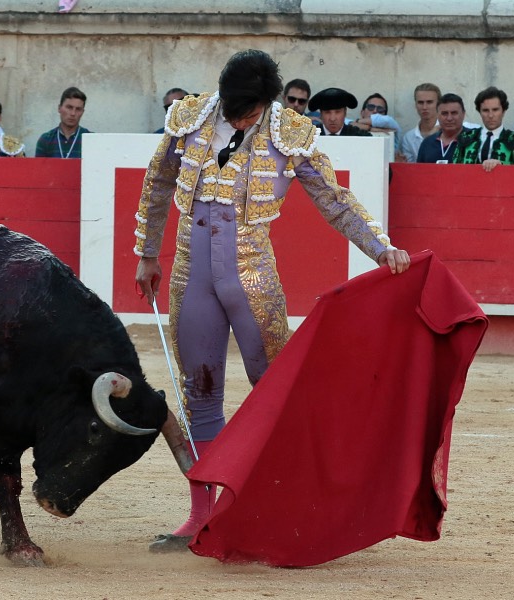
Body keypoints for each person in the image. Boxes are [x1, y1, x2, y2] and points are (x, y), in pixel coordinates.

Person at [133, 49, 410, 553]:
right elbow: (157, 183)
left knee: (276, 391)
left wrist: (381, 248)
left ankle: (280, 507)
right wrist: (147, 254)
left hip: (253, 279)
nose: (242, 120)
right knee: (199, 392)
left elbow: (334, 199)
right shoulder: (191, 117)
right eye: (235, 111)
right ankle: (203, 515)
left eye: (251, 112)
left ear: (266, 103)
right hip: (191, 276)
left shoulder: (290, 131)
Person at [452, 86, 514, 171]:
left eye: (495, 110)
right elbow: (455, 171)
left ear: (503, 111)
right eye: (485, 110)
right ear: (480, 112)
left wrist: (501, 166)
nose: (491, 115)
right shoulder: (466, 138)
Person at [35, 87, 91, 158]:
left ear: (82, 112)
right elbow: (39, 165)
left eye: (78, 109)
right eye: (69, 107)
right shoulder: (45, 140)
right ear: (59, 108)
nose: (73, 113)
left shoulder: (91, 140)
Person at [417, 93, 470, 163]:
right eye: (444, 113)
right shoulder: (427, 143)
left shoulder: (475, 140)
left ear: (463, 114)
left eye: (454, 113)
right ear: (437, 115)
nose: (449, 118)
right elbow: (419, 169)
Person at [401, 83, 442, 163]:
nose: (424, 107)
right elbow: (411, 167)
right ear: (415, 104)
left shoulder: (451, 129)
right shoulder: (409, 138)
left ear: (439, 104)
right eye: (420, 102)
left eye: (429, 102)